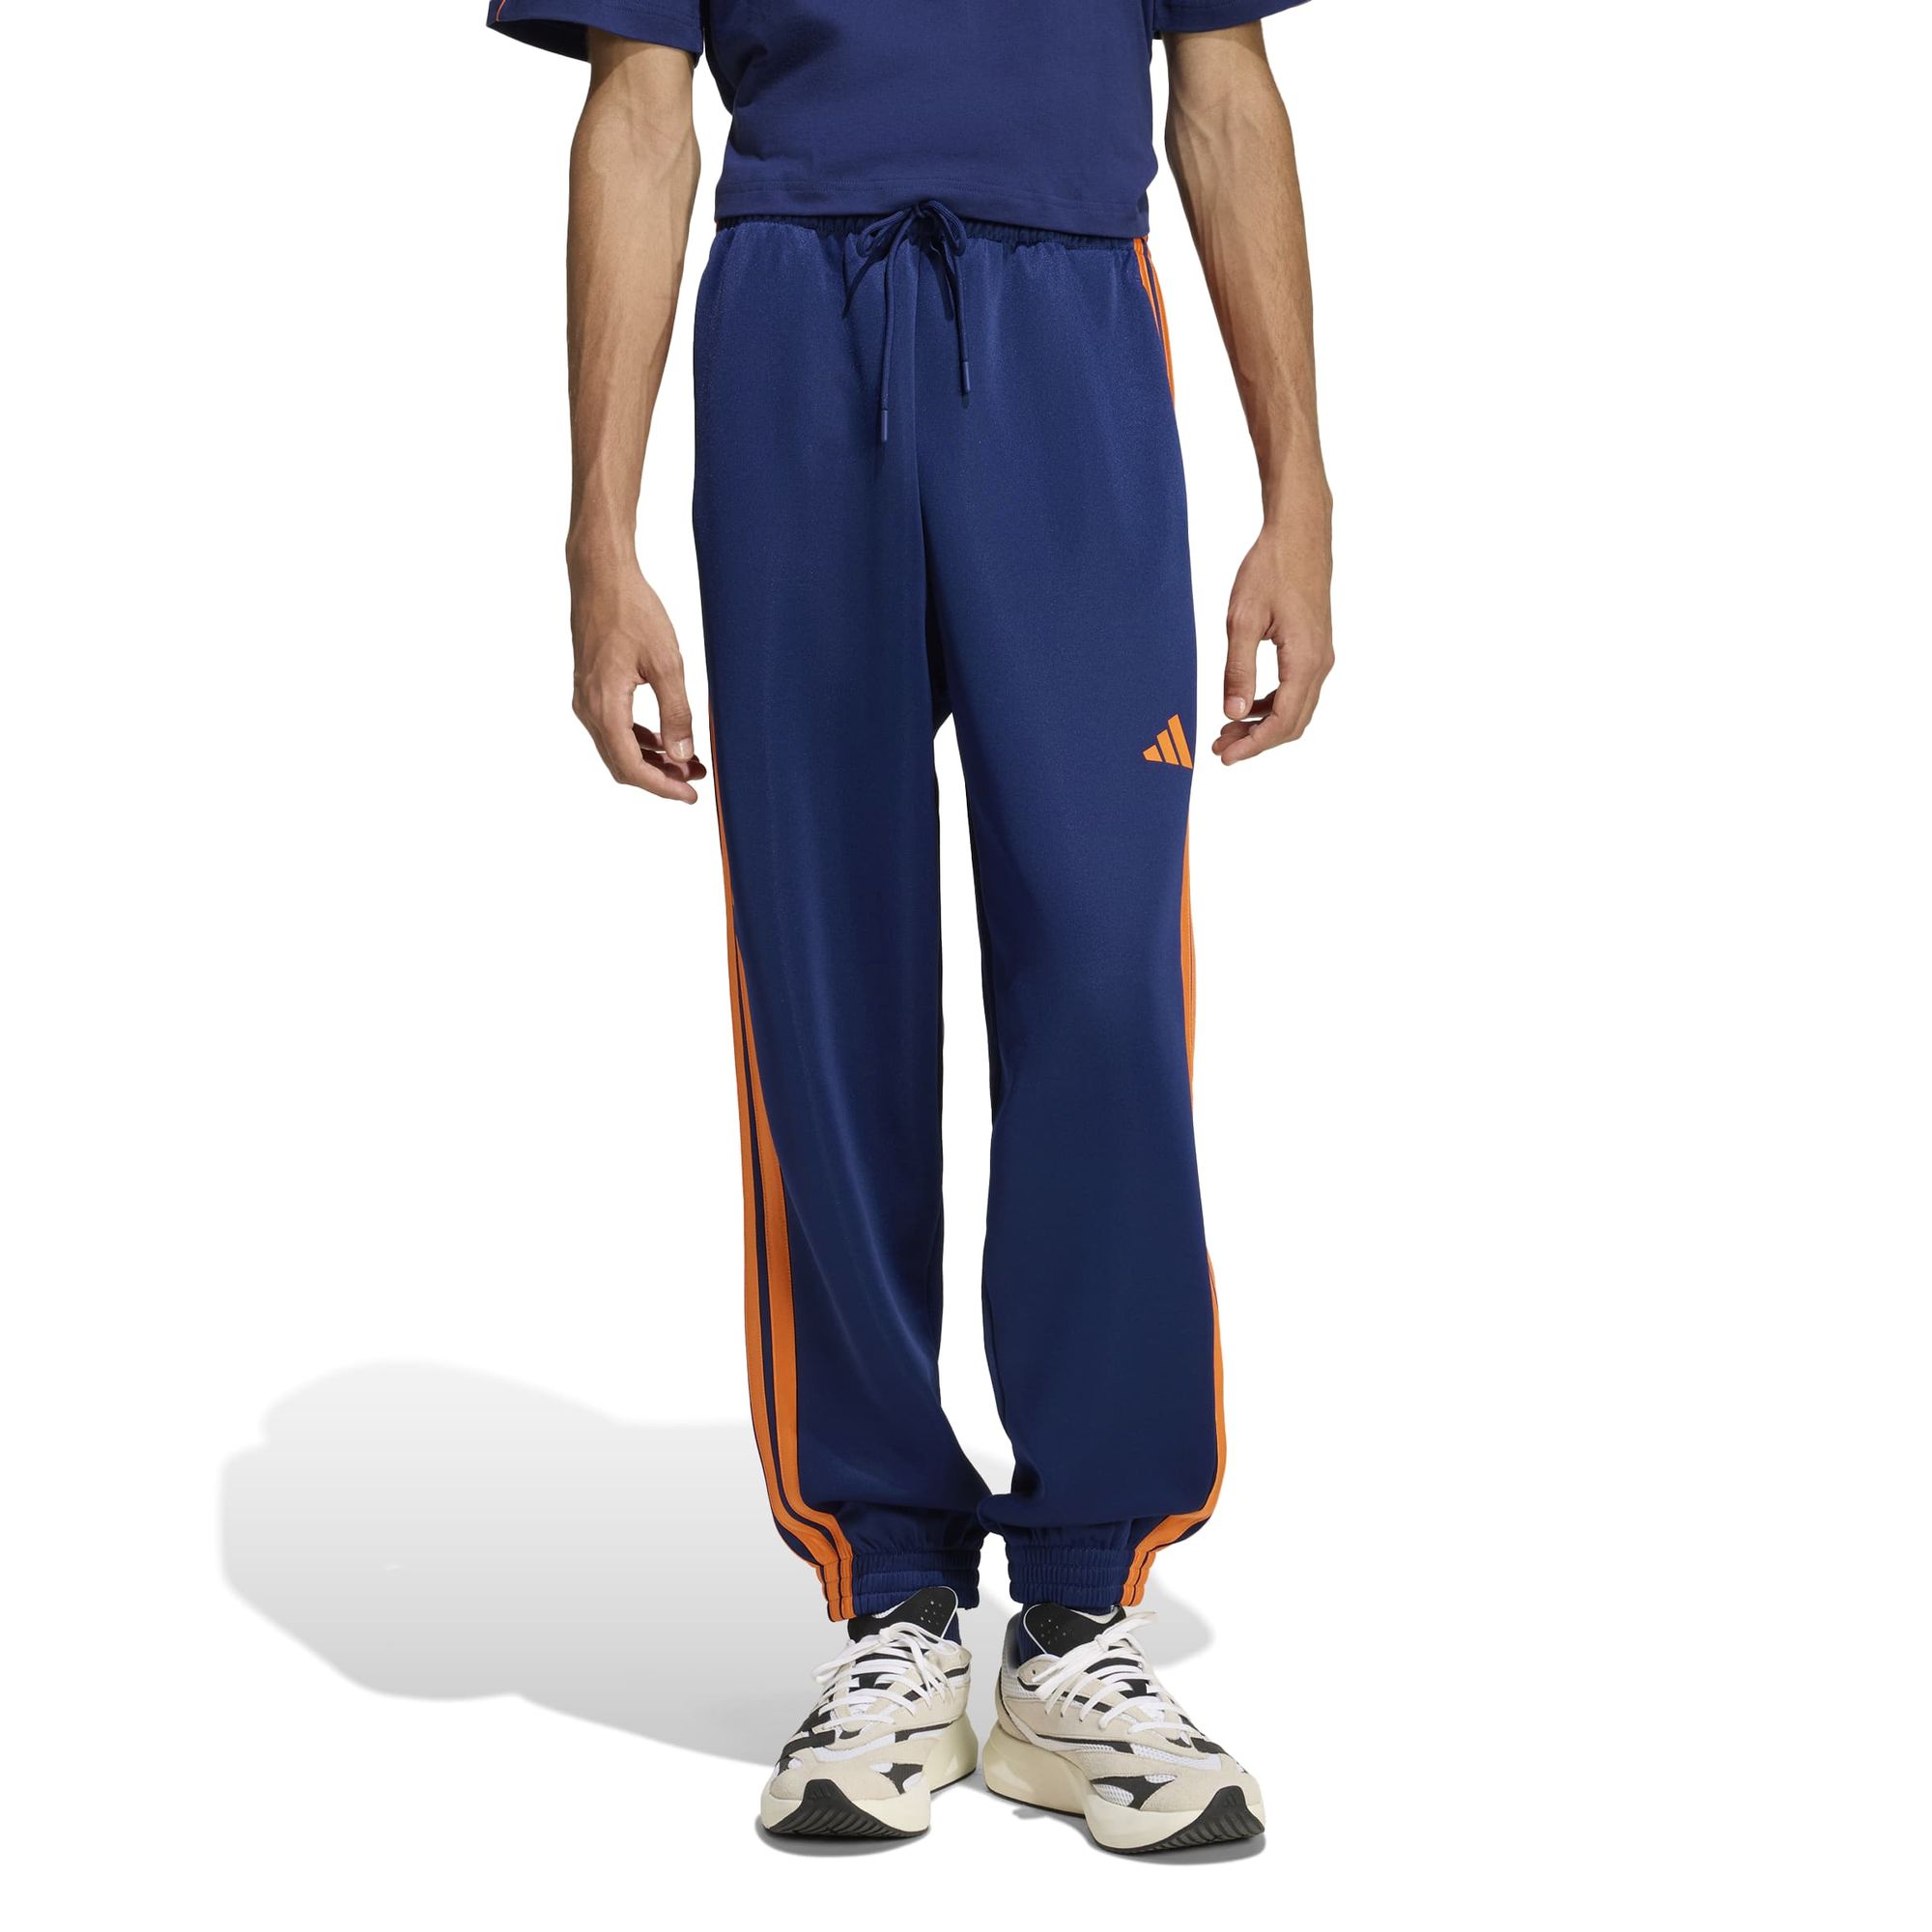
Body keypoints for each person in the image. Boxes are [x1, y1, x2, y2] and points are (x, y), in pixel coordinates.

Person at [490, 0, 1332, 1853]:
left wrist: (1301, 495)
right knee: (827, 976)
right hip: (797, 326)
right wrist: (598, 535)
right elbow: (638, 118)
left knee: (1102, 973)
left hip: (1071, 325)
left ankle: (1082, 1607)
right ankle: (890, 1589)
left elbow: (1225, 95)